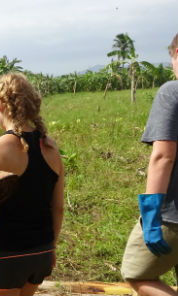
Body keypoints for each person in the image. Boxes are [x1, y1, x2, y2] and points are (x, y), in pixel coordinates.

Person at [0, 72, 64, 296]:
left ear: (0, 105)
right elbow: (58, 208)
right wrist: (51, 247)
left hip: (5, 255)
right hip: (41, 252)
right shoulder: (51, 147)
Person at [121, 33, 178, 296]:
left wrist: (151, 216)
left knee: (136, 273)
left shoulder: (172, 91)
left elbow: (163, 156)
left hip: (172, 216)